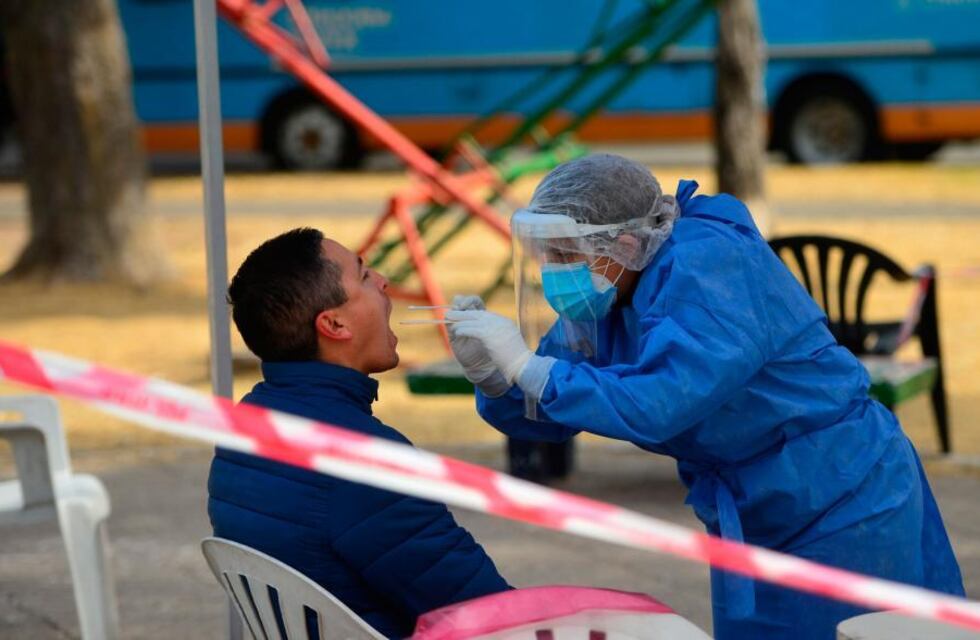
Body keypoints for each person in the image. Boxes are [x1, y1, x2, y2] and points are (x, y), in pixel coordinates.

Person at [446, 154, 964, 640]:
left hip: (842, 497)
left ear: (624, 245)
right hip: (751, 509)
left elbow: (659, 403)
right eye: (547, 256)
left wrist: (530, 369)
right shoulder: (608, 294)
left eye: (564, 255)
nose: (554, 271)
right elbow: (556, 408)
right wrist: (498, 382)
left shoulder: (712, 267)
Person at [208, 228, 509, 639]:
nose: (384, 280)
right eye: (365, 276)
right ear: (333, 323)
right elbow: (493, 616)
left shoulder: (247, 425)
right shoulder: (365, 461)